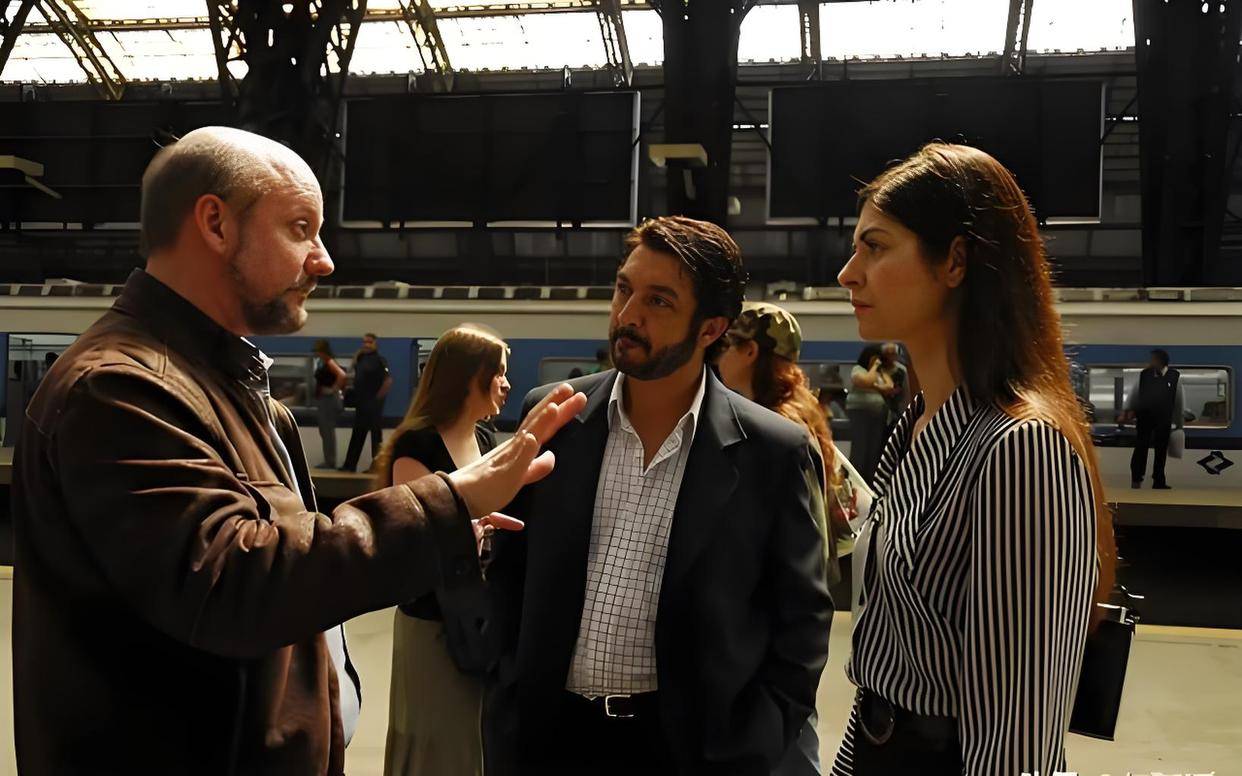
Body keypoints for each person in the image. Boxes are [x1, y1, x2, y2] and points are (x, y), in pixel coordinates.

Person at [10, 125, 586, 775]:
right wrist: (444, 503)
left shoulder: (230, 389)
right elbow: (233, 583)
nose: (324, 260)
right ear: (215, 224)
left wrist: (444, 521)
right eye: (300, 228)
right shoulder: (119, 389)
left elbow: (285, 560)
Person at [482, 216, 833, 776]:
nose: (627, 315)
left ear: (711, 329)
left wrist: (754, 742)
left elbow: (802, 620)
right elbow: (509, 571)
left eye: (659, 301)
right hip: (551, 739)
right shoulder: (556, 418)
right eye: (624, 289)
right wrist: (505, 690)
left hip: (690, 750)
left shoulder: (773, 452)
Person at [830, 142, 1115, 776]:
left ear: (955, 260)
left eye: (874, 247)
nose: (848, 273)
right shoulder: (915, 427)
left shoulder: (1022, 449)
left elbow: (1017, 730)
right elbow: (885, 669)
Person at [715, 300, 855, 776]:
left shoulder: (775, 429)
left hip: (772, 618)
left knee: (784, 747)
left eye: (727, 346)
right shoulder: (801, 413)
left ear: (750, 351)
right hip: (781, 614)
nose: (718, 357)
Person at [375, 324, 511, 776]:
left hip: (478, 617)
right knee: (434, 737)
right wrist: (469, 531)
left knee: (471, 739)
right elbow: (414, 537)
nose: (506, 384)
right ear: (468, 378)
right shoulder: (418, 445)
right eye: (498, 373)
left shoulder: (486, 440)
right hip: (433, 621)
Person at [1121, 348, 1184, 489]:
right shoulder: (1144, 375)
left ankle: (1158, 480)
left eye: (1153, 359)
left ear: (1161, 361)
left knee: (1161, 451)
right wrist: (1129, 410)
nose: (1151, 362)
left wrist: (1179, 423)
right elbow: (1135, 393)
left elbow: (1178, 400)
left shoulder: (1174, 376)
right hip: (1144, 417)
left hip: (1164, 419)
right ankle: (1136, 478)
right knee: (1140, 448)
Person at [341, 332, 392, 472]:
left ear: (375, 344)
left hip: (373, 405)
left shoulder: (380, 360)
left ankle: (377, 467)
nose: (366, 345)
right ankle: (349, 465)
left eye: (369, 342)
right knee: (358, 434)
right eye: (364, 342)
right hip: (361, 403)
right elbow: (352, 374)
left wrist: (377, 399)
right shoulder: (361, 359)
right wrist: (356, 357)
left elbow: (388, 381)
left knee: (376, 437)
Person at [844, 343, 893, 485]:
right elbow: (866, 380)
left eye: (878, 359)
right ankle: (855, 481)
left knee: (874, 449)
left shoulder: (879, 372)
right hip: (860, 413)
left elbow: (889, 387)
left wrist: (876, 383)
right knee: (861, 448)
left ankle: (870, 482)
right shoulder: (858, 370)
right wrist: (875, 371)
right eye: (875, 358)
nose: (877, 361)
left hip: (878, 415)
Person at [314, 338, 347, 468]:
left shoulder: (329, 362)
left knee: (327, 431)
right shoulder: (323, 362)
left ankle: (330, 461)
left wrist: (333, 389)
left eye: (318, 351)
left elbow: (342, 375)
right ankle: (328, 460)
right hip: (324, 399)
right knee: (325, 431)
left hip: (328, 400)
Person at [878, 342, 909, 426]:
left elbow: (906, 392)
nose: (889, 357)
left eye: (892, 354)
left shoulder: (901, 371)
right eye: (887, 354)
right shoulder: (877, 369)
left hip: (897, 410)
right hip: (879, 410)